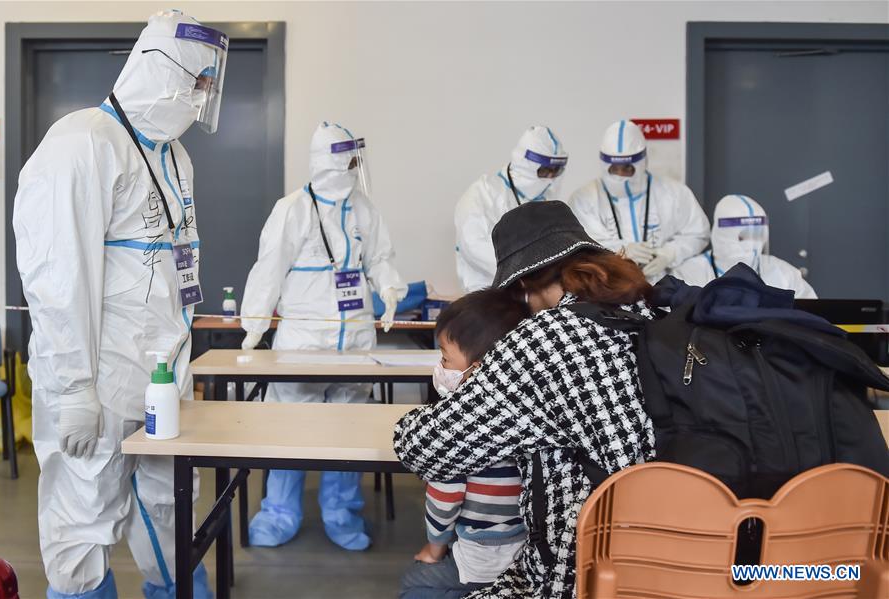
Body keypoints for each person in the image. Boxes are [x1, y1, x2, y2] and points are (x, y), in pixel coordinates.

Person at [13, 10, 227, 598]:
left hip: (161, 374)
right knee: (84, 517)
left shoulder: (173, 156)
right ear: (160, 70)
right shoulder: (83, 143)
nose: (203, 93)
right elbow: (59, 281)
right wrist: (73, 385)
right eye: (196, 79)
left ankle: (179, 588)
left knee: (168, 506)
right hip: (99, 381)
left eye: (210, 82)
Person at [395, 201, 656, 599]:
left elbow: (424, 448)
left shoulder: (546, 339)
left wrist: (417, 418)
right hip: (660, 550)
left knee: (418, 587)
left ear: (523, 283)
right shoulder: (646, 308)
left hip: (581, 564)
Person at [240, 122, 407, 550]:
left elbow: (381, 258)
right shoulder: (292, 209)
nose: (354, 166)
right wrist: (254, 325)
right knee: (290, 431)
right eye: (348, 158)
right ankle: (279, 513)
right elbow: (268, 270)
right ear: (330, 161)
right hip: (302, 345)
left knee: (347, 432)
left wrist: (389, 289)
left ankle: (342, 513)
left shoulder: (364, 209)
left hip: (354, 341)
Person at [399, 289, 530, 599]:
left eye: (445, 358)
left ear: (480, 367)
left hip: (480, 554)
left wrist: (434, 549)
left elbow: (444, 502)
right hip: (527, 549)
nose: (441, 366)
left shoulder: (457, 432)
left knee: (413, 584)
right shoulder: (527, 412)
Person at [567, 119, 710, 283]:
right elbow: (580, 245)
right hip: (608, 290)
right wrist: (621, 250)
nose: (621, 175)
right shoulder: (584, 199)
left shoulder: (674, 193)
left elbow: (698, 233)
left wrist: (669, 254)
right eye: (614, 169)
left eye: (628, 168)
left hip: (665, 291)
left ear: (642, 162)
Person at [455, 126, 568, 292]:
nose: (550, 179)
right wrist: (531, 273)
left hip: (537, 295)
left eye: (556, 171)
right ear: (524, 164)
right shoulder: (483, 194)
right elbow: (475, 247)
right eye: (544, 171)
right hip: (488, 297)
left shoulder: (549, 201)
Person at [672, 194, 817, 298]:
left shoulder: (784, 274)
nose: (752, 245)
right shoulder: (689, 275)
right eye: (743, 237)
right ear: (722, 234)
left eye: (758, 235)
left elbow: (811, 317)